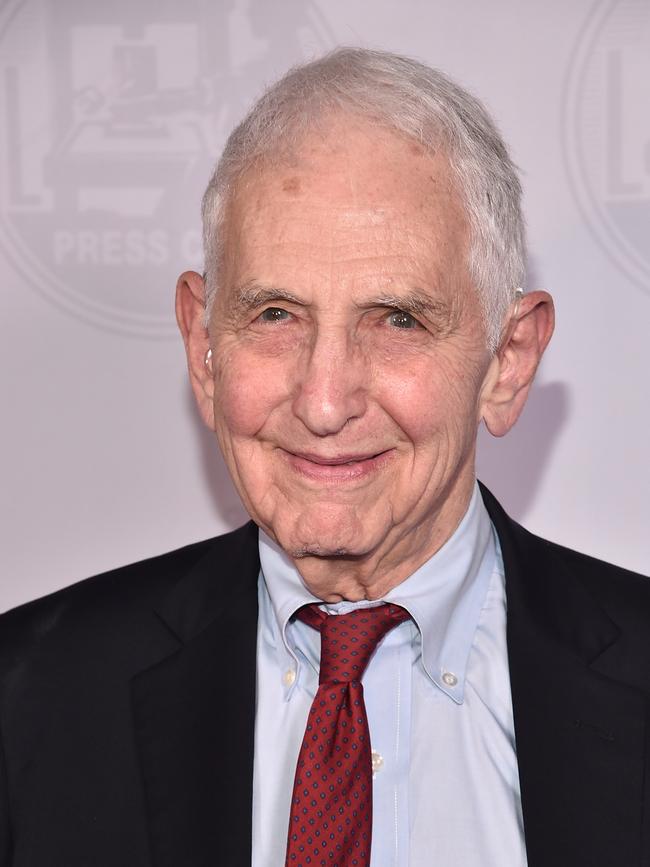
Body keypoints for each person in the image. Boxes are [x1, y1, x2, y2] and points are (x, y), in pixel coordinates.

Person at [0, 47, 649, 867]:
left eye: (398, 319)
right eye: (275, 313)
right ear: (204, 346)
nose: (323, 399)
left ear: (508, 361)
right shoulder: (30, 701)